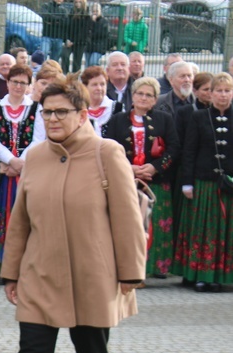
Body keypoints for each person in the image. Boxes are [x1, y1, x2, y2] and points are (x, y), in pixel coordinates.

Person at [0, 78, 146, 353]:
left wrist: (130, 273)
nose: (53, 118)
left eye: (61, 111)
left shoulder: (107, 152)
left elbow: (126, 218)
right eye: (47, 112)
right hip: (41, 273)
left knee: (92, 352)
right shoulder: (36, 155)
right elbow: (20, 220)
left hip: (95, 273)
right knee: (32, 352)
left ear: (82, 114)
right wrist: (11, 272)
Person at [105, 77, 178, 279]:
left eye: (149, 95)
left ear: (155, 100)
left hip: (155, 180)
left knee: (156, 223)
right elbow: (109, 148)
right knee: (129, 224)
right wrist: (128, 169)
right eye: (140, 93)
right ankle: (129, 267)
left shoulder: (165, 119)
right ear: (133, 96)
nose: (143, 98)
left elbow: (173, 149)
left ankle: (155, 267)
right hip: (126, 180)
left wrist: (154, 168)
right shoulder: (118, 119)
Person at [173, 73, 233, 292]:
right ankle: (200, 275)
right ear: (211, 93)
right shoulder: (199, 117)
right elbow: (189, 151)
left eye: (227, 91)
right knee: (205, 231)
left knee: (225, 231)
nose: (223, 95)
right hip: (204, 183)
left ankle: (221, 275)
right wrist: (187, 183)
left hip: (229, 185)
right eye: (218, 90)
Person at [0, 64, 46, 256]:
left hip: (26, 169)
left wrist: (20, 163)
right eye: (15, 82)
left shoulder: (36, 109)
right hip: (3, 170)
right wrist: (10, 160)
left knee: (23, 211)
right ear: (7, 82)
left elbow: (39, 138)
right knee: (1, 210)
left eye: (23, 83)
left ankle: (21, 257)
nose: (18, 86)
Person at [81, 65, 122, 137]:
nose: (99, 88)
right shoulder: (78, 109)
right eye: (94, 85)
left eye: (102, 84)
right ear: (85, 87)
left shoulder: (118, 108)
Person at [62, 0, 89, 74]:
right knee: (65, 55)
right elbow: (66, 28)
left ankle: (74, 79)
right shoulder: (71, 13)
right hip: (69, 40)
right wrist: (66, 39)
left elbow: (85, 31)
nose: (77, 4)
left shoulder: (87, 15)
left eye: (79, 2)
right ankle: (66, 74)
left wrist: (74, 41)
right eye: (76, 2)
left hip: (80, 42)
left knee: (77, 63)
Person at [40, 0, 68, 64]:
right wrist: (58, 20)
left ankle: (52, 73)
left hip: (59, 37)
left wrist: (51, 21)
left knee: (55, 60)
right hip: (47, 35)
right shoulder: (46, 6)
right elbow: (46, 16)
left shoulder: (64, 10)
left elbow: (65, 22)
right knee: (43, 53)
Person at [88, 2, 108, 66]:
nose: (95, 13)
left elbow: (100, 34)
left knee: (93, 63)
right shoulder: (89, 20)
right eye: (93, 11)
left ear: (100, 11)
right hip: (89, 47)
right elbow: (87, 32)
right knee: (88, 66)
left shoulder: (104, 21)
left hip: (99, 47)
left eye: (97, 11)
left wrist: (94, 23)